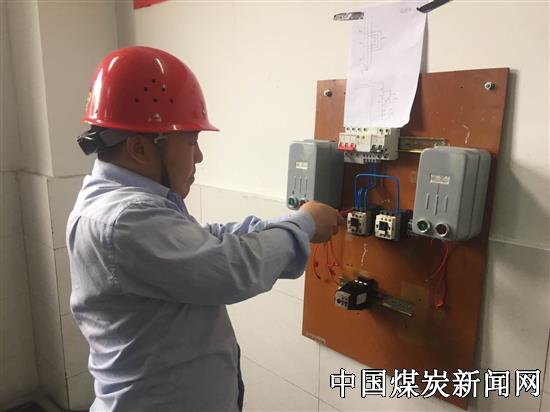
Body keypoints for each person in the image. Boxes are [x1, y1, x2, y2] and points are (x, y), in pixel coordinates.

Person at [67, 46, 343, 412]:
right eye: (190, 141)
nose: (198, 156)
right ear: (139, 149)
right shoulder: (125, 219)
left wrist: (281, 225)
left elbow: (204, 240)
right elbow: (229, 268)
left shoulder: (126, 205)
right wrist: (303, 226)